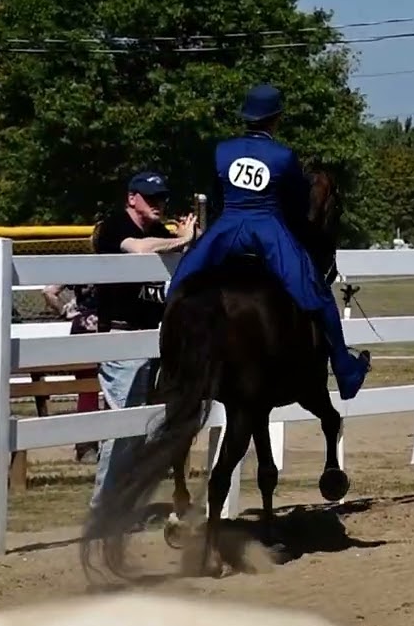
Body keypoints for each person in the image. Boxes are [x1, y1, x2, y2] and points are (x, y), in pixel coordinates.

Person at [166, 83, 369, 401]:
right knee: (316, 292)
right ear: (276, 118)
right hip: (268, 229)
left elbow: (217, 195)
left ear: (245, 116)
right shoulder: (284, 156)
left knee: (179, 284)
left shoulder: (222, 150)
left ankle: (169, 364)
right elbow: (297, 204)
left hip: (227, 228)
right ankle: (345, 371)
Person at [88, 171, 196, 512]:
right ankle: (105, 509)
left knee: (149, 426)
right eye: (152, 199)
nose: (159, 205)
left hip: (156, 338)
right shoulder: (116, 225)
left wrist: (190, 239)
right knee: (124, 425)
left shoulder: (158, 231)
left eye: (162, 198)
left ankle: (122, 505)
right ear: (132, 198)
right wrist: (181, 240)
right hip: (122, 336)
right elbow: (138, 250)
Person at [41, 281, 101, 463]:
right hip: (109, 325)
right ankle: (105, 443)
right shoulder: (113, 262)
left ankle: (86, 446)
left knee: (87, 390)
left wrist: (65, 312)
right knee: (114, 388)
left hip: (82, 327)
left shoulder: (79, 266)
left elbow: (48, 292)